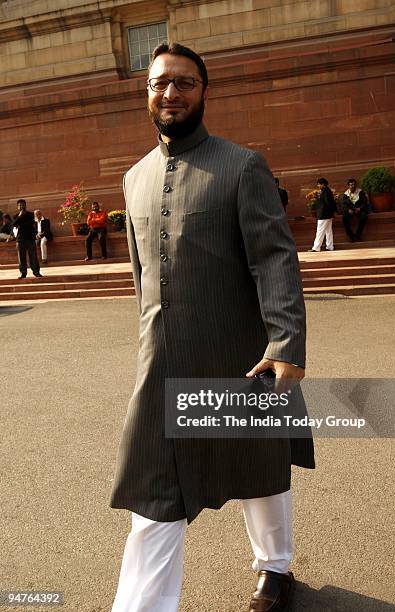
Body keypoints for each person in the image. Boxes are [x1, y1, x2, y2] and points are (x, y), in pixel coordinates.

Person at [110, 43, 314, 612]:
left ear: (204, 91)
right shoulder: (133, 179)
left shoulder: (241, 166)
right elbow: (140, 275)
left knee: (260, 472)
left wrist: (286, 342)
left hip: (240, 355)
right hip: (162, 366)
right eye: (159, 84)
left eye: (183, 83)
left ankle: (274, 569)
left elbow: (274, 258)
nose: (170, 93)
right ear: (146, 93)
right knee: (155, 494)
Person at [12, 199, 42, 279]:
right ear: (17, 207)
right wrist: (19, 217)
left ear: (25, 205)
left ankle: (36, 272)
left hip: (30, 239)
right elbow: (14, 224)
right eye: (19, 205)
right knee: (21, 258)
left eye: (23, 205)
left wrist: (20, 224)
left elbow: (30, 224)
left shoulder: (31, 214)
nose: (21, 206)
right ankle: (23, 273)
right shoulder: (16, 216)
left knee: (33, 257)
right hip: (20, 239)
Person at [309, 178, 337, 252]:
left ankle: (316, 247)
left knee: (320, 231)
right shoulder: (326, 191)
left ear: (323, 184)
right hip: (327, 214)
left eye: (319, 184)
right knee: (328, 231)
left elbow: (328, 203)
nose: (318, 185)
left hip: (324, 214)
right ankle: (330, 246)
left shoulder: (325, 192)